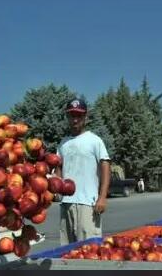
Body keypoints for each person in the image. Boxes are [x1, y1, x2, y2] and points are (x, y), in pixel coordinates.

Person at [55, 98, 111, 245]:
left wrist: (102, 197)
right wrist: (55, 191)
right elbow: (58, 169)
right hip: (66, 203)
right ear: (67, 117)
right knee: (67, 250)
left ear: (85, 117)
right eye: (71, 116)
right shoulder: (63, 143)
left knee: (89, 249)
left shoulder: (94, 140)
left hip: (88, 203)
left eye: (78, 116)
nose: (75, 120)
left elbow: (105, 166)